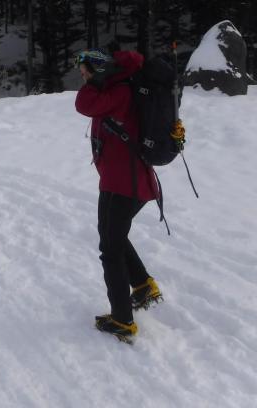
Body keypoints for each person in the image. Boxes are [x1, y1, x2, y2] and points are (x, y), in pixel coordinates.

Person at [74, 48, 164, 342]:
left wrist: (96, 81)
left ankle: (123, 320)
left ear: (99, 71)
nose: (84, 78)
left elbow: (84, 103)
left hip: (125, 184)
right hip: (122, 180)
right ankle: (143, 286)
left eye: (86, 72)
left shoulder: (120, 91)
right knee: (112, 234)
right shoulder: (120, 88)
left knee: (110, 248)